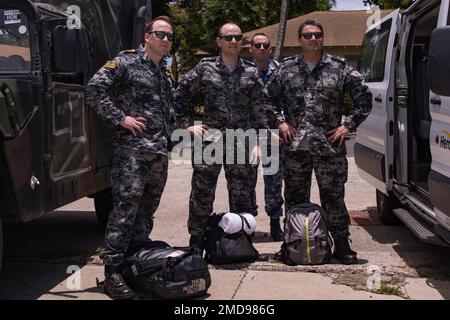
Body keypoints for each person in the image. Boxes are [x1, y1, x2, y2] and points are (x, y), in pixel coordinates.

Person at [265, 19, 372, 264]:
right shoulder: (286, 69)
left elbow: (364, 100)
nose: (313, 39)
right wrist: (280, 122)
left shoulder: (340, 68)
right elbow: (266, 99)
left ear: (322, 38)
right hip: (296, 148)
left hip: (328, 148)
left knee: (333, 197)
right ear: (300, 40)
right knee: (294, 198)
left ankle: (342, 244)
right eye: (308, 35)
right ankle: (292, 243)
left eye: (317, 34)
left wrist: (348, 125)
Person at [86, 16, 174, 299]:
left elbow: (165, 111)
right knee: (124, 213)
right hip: (132, 154)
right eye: (161, 34)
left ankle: (136, 264)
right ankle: (112, 273)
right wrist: (120, 118)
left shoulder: (164, 73)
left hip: (158, 153)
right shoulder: (124, 62)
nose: (166, 40)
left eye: (170, 36)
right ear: (147, 36)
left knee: (145, 214)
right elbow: (94, 90)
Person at [173, 22, 267, 250]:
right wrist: (186, 126)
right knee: (202, 194)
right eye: (228, 38)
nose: (233, 42)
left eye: (237, 38)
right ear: (219, 41)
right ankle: (196, 242)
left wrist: (259, 144)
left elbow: (259, 111)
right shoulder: (205, 68)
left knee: (242, 196)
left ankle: (241, 243)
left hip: (241, 142)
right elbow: (179, 97)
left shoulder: (252, 72)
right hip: (210, 140)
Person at [248, 32, 284, 241]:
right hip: (249, 135)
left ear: (270, 49)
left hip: (273, 135)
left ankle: (275, 222)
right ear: (251, 49)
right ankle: (249, 223)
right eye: (257, 45)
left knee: (274, 181)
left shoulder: (280, 72)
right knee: (247, 181)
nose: (261, 48)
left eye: (265, 45)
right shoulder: (243, 72)